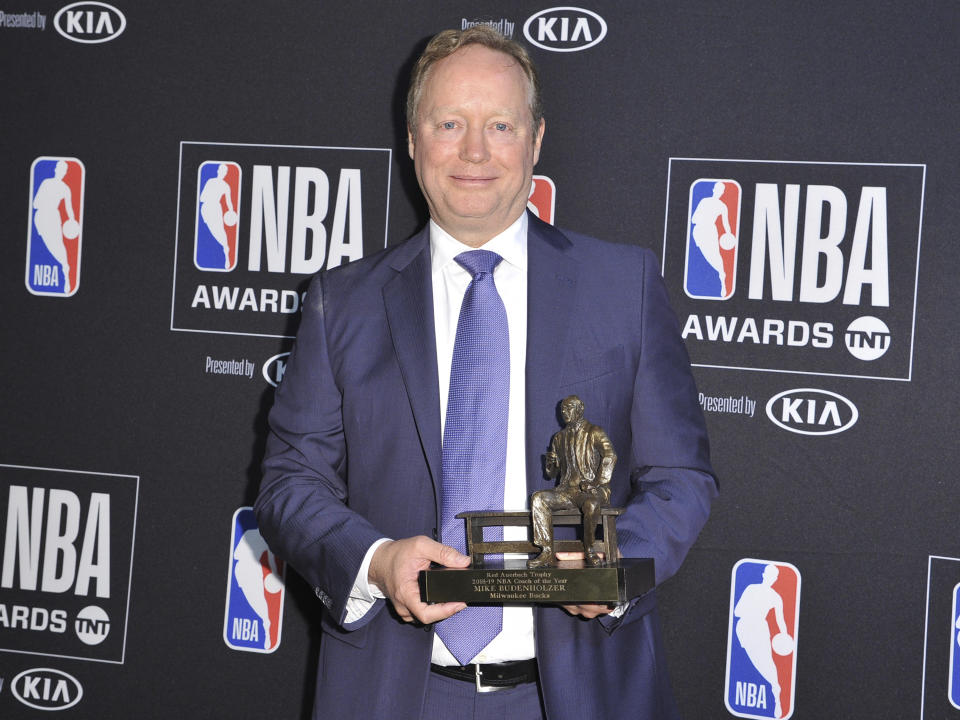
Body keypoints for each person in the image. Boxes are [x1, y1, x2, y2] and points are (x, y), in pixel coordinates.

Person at [255, 25, 717, 720]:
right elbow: (290, 485)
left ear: (534, 141)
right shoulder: (340, 303)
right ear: (413, 140)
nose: (474, 151)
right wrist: (377, 561)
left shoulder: (622, 287)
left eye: (499, 124)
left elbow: (684, 479)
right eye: (450, 123)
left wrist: (615, 570)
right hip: (392, 696)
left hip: (579, 694)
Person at [529, 395, 616, 568]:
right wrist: (551, 463)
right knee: (538, 498)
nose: (564, 412)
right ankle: (546, 551)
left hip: (590, 490)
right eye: (562, 409)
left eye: (568, 408)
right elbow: (551, 474)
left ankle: (589, 549)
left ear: (579, 409)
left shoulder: (594, 432)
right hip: (567, 491)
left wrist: (597, 482)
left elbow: (610, 455)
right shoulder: (559, 438)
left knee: (591, 505)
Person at [733, 564, 791, 719]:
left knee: (766, 663)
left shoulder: (773, 596)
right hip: (747, 628)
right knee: (757, 662)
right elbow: (736, 611)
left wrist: (784, 636)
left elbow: (781, 621)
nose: (770, 577)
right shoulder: (755, 590)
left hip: (757, 629)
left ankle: (776, 691)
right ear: (765, 575)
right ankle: (775, 688)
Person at [32, 159, 76, 293]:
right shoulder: (46, 183)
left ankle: (66, 273)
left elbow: (69, 208)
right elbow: (35, 203)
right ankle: (65, 268)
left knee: (58, 246)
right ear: (55, 169)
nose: (60, 171)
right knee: (45, 245)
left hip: (53, 218)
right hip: (40, 218)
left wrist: (72, 221)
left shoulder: (65, 188)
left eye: (63, 170)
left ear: (65, 172)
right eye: (59, 168)